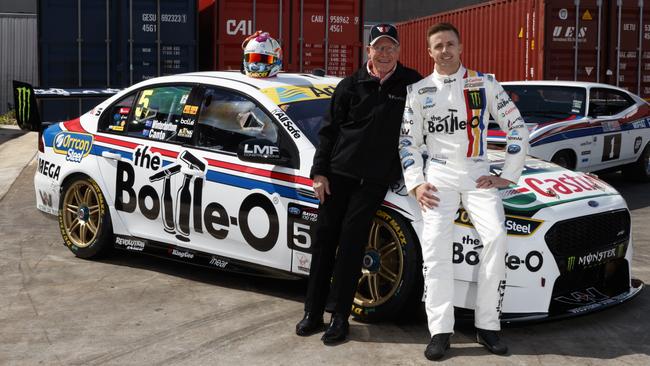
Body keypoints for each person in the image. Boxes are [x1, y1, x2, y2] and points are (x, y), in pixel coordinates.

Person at [398, 23, 529, 360]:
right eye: (438, 46)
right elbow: (408, 142)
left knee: (497, 238)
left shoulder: (484, 83)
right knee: (435, 250)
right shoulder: (419, 91)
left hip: (478, 174)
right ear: (429, 52)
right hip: (437, 176)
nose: (444, 51)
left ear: (460, 46)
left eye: (450, 44)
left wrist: (508, 175)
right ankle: (440, 331)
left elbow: (516, 126)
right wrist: (415, 182)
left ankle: (488, 327)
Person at [295, 23, 422, 344]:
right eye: (379, 47)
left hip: (374, 180)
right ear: (369, 51)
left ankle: (340, 316)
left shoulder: (412, 84)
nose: (385, 53)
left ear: (398, 51)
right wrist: (319, 173)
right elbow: (328, 131)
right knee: (324, 241)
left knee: (352, 244)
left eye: (390, 47)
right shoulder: (350, 85)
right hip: (338, 175)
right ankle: (312, 312)